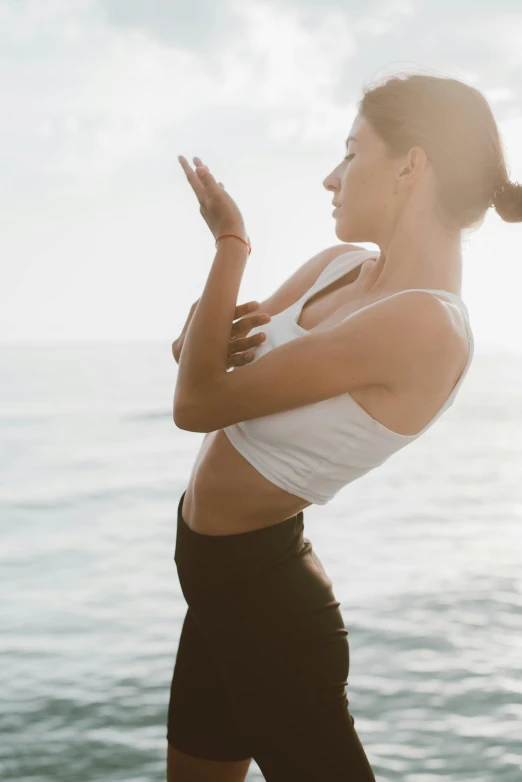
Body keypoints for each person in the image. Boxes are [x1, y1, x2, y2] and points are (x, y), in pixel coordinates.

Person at [167, 71, 521, 782]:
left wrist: (231, 245)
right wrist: (207, 331)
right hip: (214, 585)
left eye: (352, 152)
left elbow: (197, 403)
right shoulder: (338, 268)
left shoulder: (426, 324)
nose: (332, 178)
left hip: (269, 604)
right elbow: (192, 356)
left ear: (411, 166)